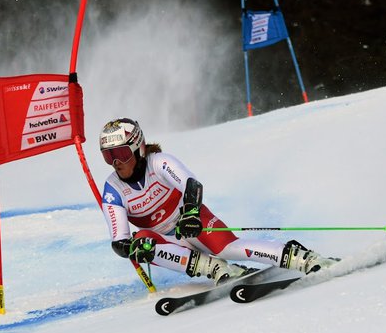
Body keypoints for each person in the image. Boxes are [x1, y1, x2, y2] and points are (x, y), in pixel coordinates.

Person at [99, 118, 337, 285]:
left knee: (227, 248)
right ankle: (215, 269)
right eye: (108, 156)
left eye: (120, 154)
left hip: (190, 221)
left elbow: (191, 184)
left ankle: (302, 257)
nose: (115, 162)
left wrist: (191, 213)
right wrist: (132, 249)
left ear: (138, 149)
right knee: (141, 244)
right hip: (165, 242)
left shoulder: (159, 162)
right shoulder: (113, 190)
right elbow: (119, 241)